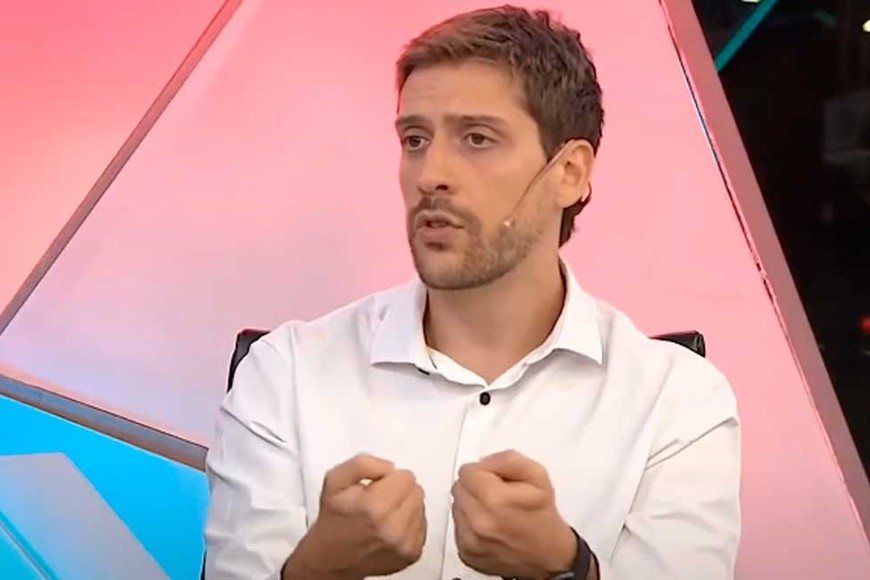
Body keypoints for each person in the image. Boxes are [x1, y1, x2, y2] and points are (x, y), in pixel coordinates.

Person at [203, 5, 741, 580]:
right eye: (415, 139)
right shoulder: (284, 376)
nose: (430, 174)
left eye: (477, 139)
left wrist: (571, 569)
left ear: (569, 173)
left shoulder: (677, 403)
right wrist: (315, 571)